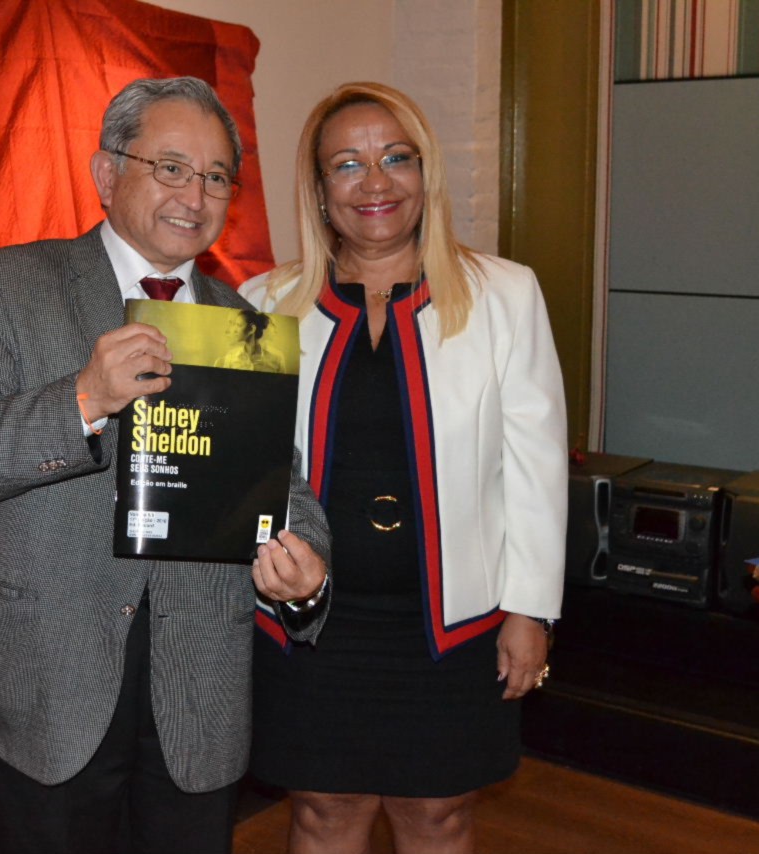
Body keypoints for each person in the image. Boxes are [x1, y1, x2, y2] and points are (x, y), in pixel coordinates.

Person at [0, 76, 331, 854]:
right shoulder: (8, 285)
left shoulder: (241, 323)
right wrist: (81, 399)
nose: (194, 196)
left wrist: (307, 568)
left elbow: (285, 487)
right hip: (46, 683)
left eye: (215, 177)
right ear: (107, 174)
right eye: (171, 167)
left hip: (198, 693)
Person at [241, 81, 567, 854]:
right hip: (311, 625)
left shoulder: (506, 295)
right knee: (323, 811)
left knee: (439, 814)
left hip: (455, 626)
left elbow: (538, 466)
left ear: (426, 173)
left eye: (396, 158)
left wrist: (531, 611)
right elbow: (245, 470)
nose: (375, 183)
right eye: (347, 164)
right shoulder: (263, 303)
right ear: (320, 190)